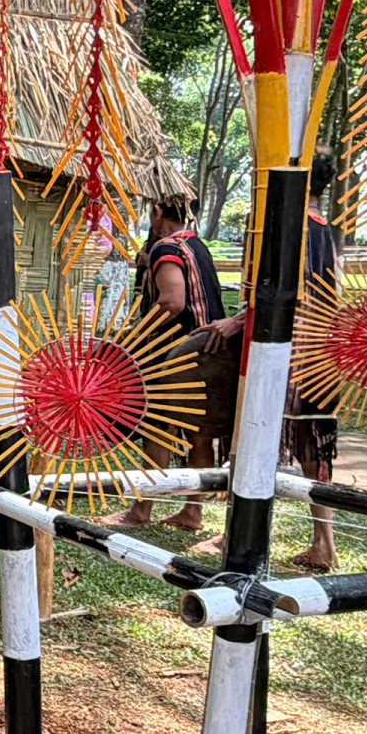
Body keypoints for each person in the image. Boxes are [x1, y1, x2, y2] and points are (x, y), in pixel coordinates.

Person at [105, 193, 233, 531]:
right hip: (210, 354)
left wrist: (136, 334)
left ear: (159, 211)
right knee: (199, 433)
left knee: (157, 428)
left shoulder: (167, 247)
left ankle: (141, 511)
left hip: (176, 356)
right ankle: (192, 513)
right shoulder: (196, 244)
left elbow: (173, 301)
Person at [283, 152, 341, 571]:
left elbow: (287, 291)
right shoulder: (326, 230)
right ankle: (324, 541)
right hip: (325, 347)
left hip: (294, 347)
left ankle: (240, 532)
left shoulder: (296, 227)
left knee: (269, 437)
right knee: (313, 444)